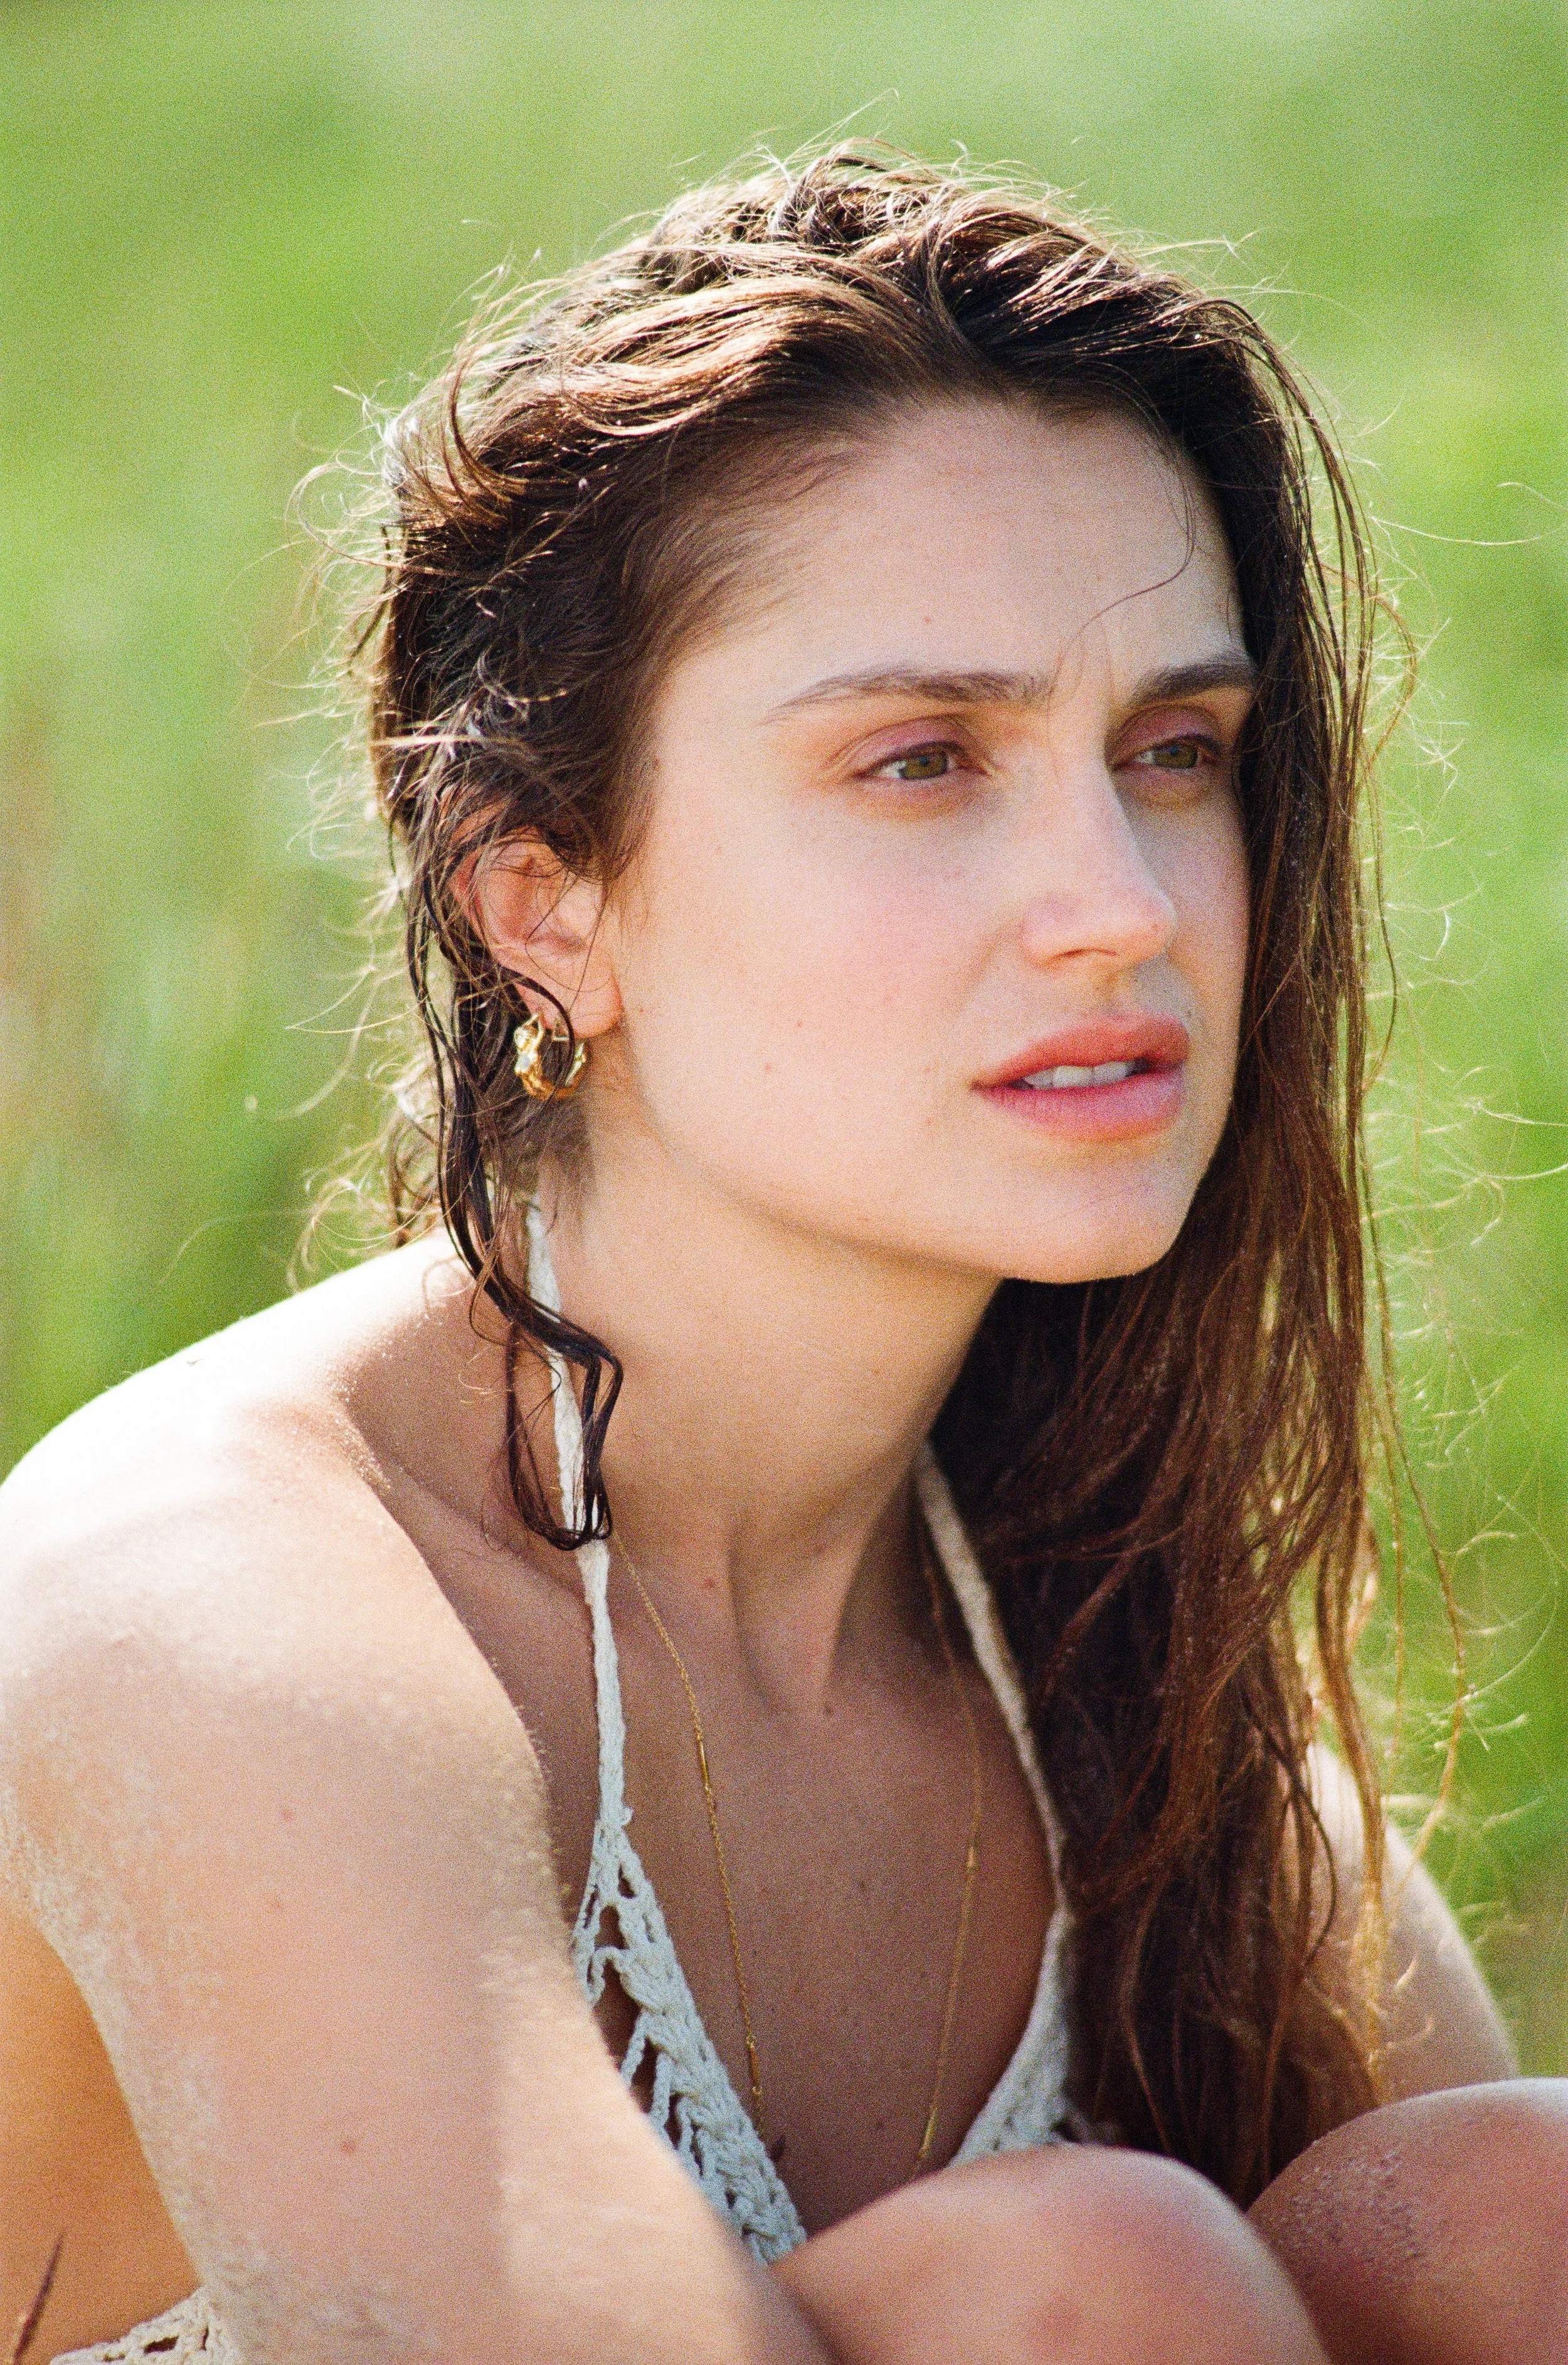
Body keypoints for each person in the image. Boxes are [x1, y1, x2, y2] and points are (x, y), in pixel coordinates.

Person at [1, 150, 1563, 2365]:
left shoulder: (1107, 1653)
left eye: (1174, 751)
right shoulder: (217, 1611)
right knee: (1076, 2287)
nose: (1117, 896)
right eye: (921, 761)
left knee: (1510, 2208)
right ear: (544, 899)